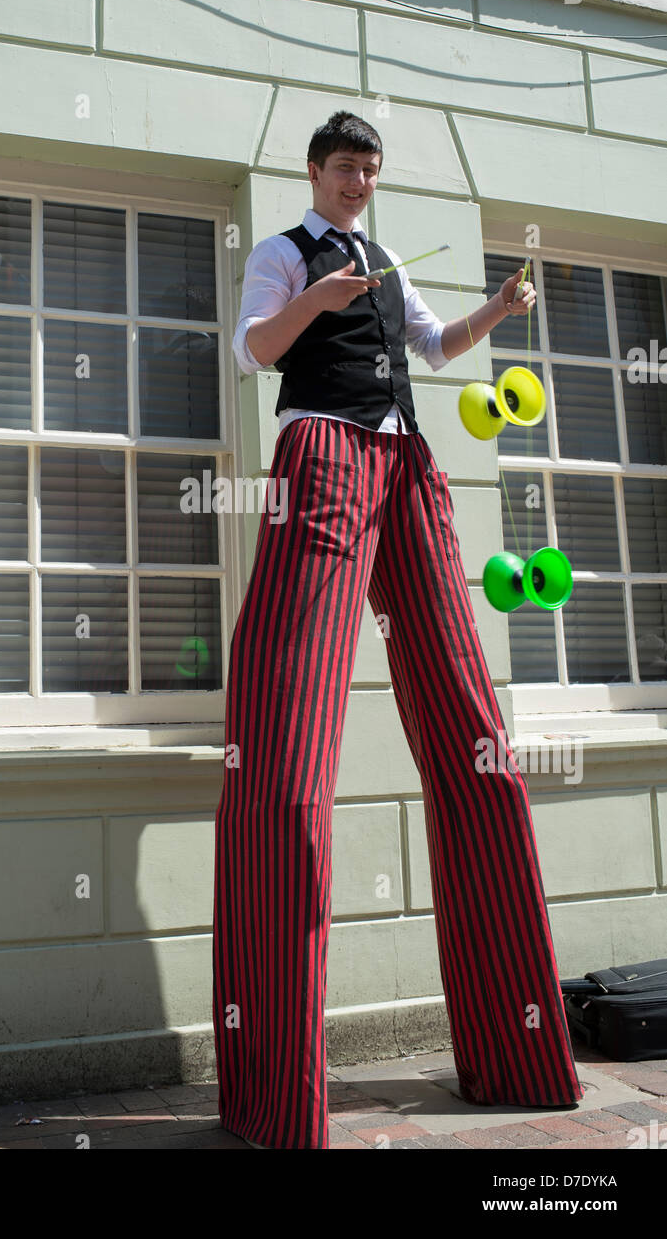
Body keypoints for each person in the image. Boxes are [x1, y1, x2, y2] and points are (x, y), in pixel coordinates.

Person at [211, 109, 583, 1150]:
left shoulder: (382, 256)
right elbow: (250, 352)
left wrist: (496, 312)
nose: (357, 183)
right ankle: (276, 1101)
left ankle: (515, 1052)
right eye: (343, 169)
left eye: (368, 171)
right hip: (321, 458)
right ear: (314, 172)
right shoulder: (285, 254)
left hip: (406, 463)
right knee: (286, 760)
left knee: (477, 742)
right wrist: (317, 300)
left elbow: (431, 342)